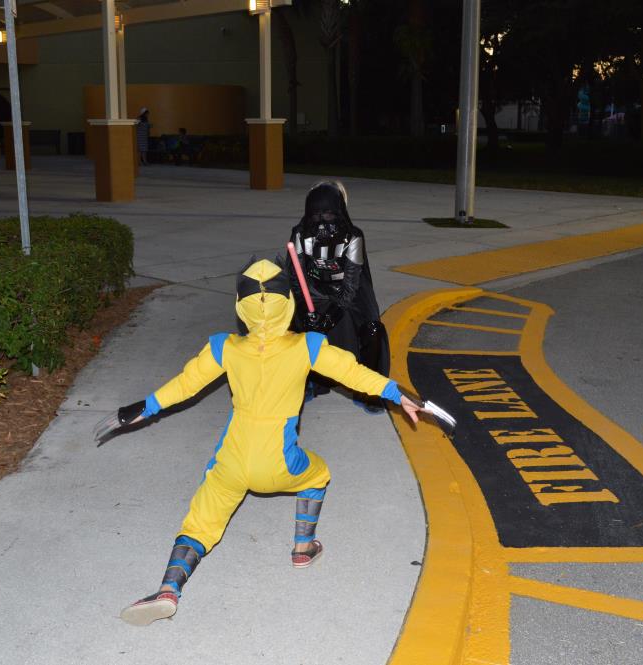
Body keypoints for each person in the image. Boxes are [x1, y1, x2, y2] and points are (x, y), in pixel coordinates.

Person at [100, 258, 425, 627]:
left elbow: (185, 385)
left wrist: (143, 407)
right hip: (278, 464)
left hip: (231, 462)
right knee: (317, 474)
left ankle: (167, 590)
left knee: (200, 523)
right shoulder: (308, 347)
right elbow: (355, 373)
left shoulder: (226, 347)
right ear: (289, 302)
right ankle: (303, 548)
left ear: (241, 308)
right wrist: (398, 394)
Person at [287, 181, 390, 411]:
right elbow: (296, 278)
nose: (323, 223)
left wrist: (330, 317)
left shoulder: (353, 238)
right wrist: (304, 310)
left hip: (348, 292)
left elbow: (351, 286)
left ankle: (370, 390)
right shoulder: (300, 235)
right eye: (316, 216)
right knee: (290, 326)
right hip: (312, 290)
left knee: (372, 329)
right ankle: (305, 382)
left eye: (329, 214)